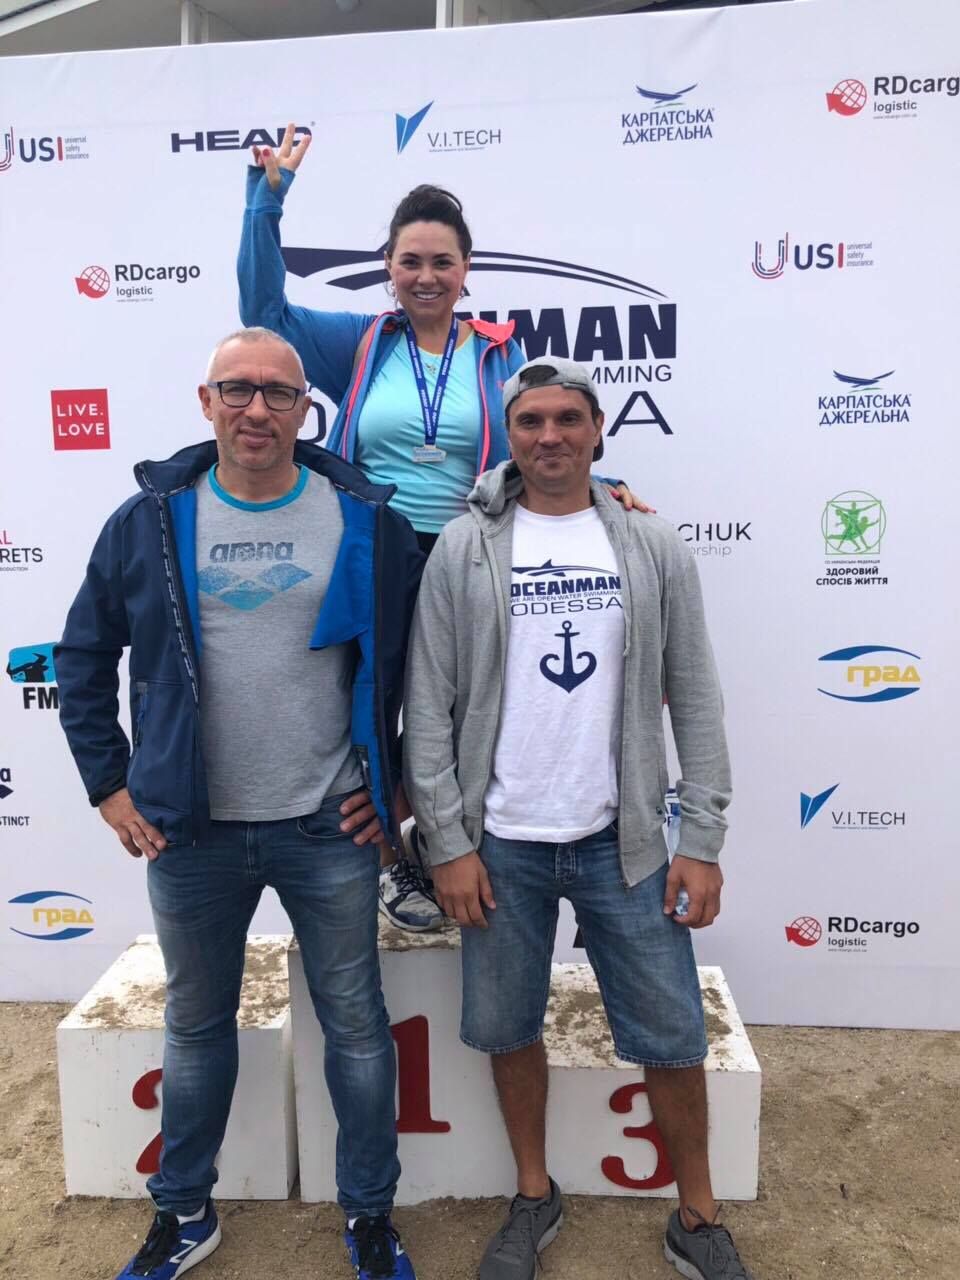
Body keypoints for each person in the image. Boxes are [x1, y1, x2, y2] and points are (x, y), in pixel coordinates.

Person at [55, 327, 423, 1280]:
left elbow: (422, 665)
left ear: (306, 411)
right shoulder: (148, 521)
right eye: (238, 389)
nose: (257, 409)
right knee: (194, 1026)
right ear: (206, 401)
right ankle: (183, 1212)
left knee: (356, 1026)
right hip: (193, 830)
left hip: (328, 824)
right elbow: (83, 655)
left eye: (278, 393)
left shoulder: (364, 517)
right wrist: (109, 786)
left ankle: (369, 1214)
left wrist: (396, 785)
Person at [238, 124, 649, 933]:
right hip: (377, 553)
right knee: (377, 710)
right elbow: (263, 310)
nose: (425, 276)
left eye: (441, 261)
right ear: (388, 269)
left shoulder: (498, 353)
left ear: (465, 270)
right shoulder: (360, 343)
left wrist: (603, 486)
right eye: (410, 261)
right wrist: (266, 202)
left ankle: (447, 849)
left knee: (463, 711)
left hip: (472, 555)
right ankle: (392, 863)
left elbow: (540, 438)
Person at [402, 358, 753, 1280]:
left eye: (568, 418)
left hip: (623, 843)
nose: (549, 435)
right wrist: (447, 842)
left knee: (672, 1034)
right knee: (507, 1027)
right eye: (531, 421)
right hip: (499, 845)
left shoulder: (650, 542)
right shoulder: (463, 547)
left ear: (599, 430)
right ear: (509, 435)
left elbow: (696, 694)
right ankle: (533, 1194)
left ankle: (698, 1215)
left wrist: (702, 838)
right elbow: (427, 704)